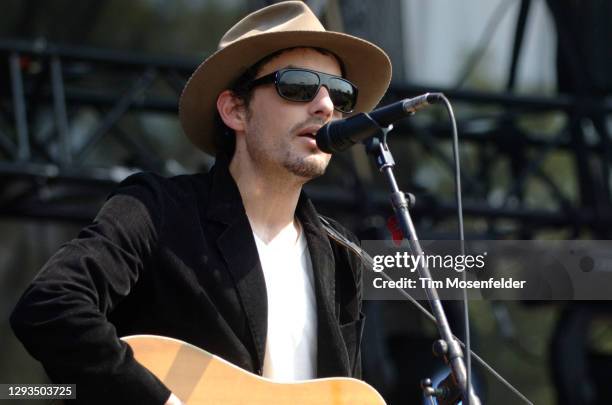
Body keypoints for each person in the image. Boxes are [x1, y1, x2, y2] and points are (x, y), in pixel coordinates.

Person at [10, 1, 391, 404]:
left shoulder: (342, 254)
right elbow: (51, 304)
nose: (325, 106)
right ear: (234, 110)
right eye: (297, 86)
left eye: (340, 93)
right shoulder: (157, 211)